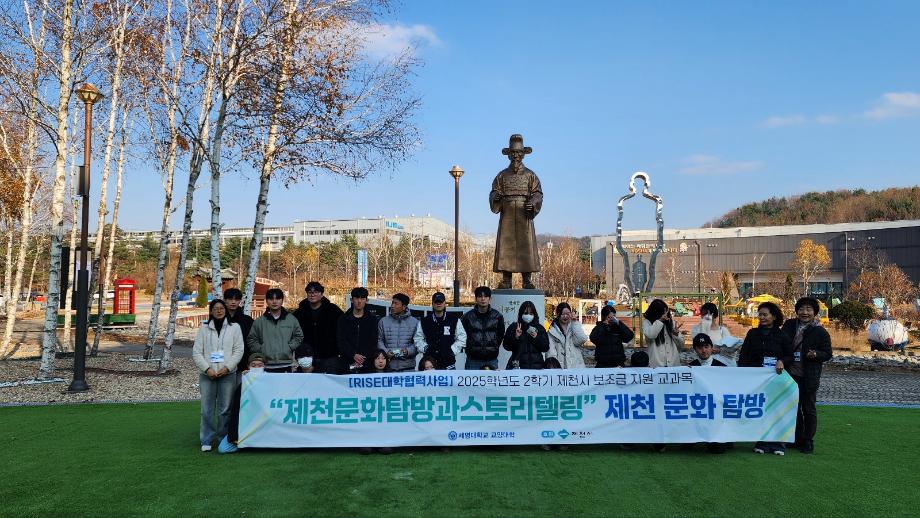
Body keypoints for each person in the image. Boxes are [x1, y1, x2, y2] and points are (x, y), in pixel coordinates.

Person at [738, 301, 793, 456]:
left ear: (774, 316)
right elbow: (744, 355)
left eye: (765, 314)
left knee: (776, 410)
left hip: (776, 379)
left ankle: (778, 443)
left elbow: (789, 356)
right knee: (760, 410)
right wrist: (742, 374)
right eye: (759, 314)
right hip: (756, 380)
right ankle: (761, 441)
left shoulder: (782, 335)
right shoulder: (752, 334)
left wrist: (782, 361)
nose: (761, 317)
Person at [489, 134, 543, 289]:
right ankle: (506, 279)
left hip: (524, 212)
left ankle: (527, 280)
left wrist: (532, 203)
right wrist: (495, 196)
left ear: (523, 154)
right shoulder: (501, 175)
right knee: (506, 246)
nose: (516, 156)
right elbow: (494, 191)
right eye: (513, 152)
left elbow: (538, 193)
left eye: (519, 152)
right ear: (508, 154)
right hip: (506, 213)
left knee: (526, 245)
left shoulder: (530, 175)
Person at [780, 297, 832, 454]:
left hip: (809, 376)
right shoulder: (789, 325)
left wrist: (816, 354)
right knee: (793, 408)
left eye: (809, 309)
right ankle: (797, 438)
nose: (805, 312)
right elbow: (781, 343)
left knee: (808, 409)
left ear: (815, 312)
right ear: (797, 311)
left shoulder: (820, 331)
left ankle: (808, 440)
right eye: (802, 309)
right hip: (790, 374)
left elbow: (827, 353)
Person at [192, 299, 244, 452]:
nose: (219, 311)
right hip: (207, 375)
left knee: (225, 409)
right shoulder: (204, 328)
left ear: (225, 310)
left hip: (227, 374)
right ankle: (206, 439)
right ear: (211, 311)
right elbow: (197, 352)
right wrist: (207, 369)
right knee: (206, 409)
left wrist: (227, 368)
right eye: (216, 308)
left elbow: (238, 350)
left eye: (221, 308)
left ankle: (223, 438)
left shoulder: (235, 327)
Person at [688, 333, 730, 454]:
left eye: (706, 347)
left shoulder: (722, 367)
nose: (704, 350)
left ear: (712, 348)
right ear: (695, 349)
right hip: (697, 409)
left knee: (717, 450)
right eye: (700, 347)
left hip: (716, 411)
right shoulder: (690, 368)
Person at [246, 288, 304, 373]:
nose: (274, 301)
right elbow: (251, 339)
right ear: (266, 301)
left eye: (277, 298)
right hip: (265, 365)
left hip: (286, 364)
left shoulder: (291, 319)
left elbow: (299, 336)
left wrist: (289, 347)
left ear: (282, 300)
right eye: (271, 299)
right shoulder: (259, 321)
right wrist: (261, 349)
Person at [293, 281, 344, 374]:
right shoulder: (299, 312)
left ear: (321, 294)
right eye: (310, 292)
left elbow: (343, 331)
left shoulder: (333, 310)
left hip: (329, 357)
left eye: (316, 292)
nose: (312, 295)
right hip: (306, 358)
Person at [414, 291, 466, 370]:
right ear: (432, 304)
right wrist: (425, 348)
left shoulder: (454, 320)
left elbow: (462, 337)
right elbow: (418, 338)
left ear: (445, 303)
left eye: (441, 302)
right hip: (430, 366)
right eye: (436, 302)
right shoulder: (424, 321)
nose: (439, 304)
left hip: (449, 364)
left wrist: (452, 350)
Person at [460, 286, 506, 370]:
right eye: (480, 296)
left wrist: (493, 346)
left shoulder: (497, 316)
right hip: (472, 360)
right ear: (476, 299)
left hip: (491, 359)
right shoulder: (467, 317)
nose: (483, 299)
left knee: (492, 379)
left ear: (490, 299)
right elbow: (462, 336)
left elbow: (500, 335)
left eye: (486, 296)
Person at [338, 287, 380, 374]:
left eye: (362, 298)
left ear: (367, 300)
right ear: (351, 300)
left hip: (367, 364)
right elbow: (341, 340)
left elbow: (374, 341)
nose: (359, 301)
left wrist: (362, 358)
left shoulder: (372, 319)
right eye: (356, 298)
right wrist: (353, 355)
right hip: (347, 363)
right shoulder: (343, 319)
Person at [378, 293, 420, 372]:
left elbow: (418, 343)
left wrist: (408, 351)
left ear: (404, 307)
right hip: (388, 367)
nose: (392, 306)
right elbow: (379, 340)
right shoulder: (383, 321)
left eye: (396, 303)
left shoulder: (415, 322)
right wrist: (386, 352)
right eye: (392, 303)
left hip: (408, 368)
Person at [503, 301, 550, 369]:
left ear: (534, 314)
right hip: (518, 367)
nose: (528, 315)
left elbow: (546, 347)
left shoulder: (539, 328)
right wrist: (516, 337)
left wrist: (536, 337)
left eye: (531, 313)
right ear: (521, 314)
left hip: (537, 367)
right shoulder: (514, 327)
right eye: (525, 313)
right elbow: (506, 346)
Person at [642, 299, 684, 368]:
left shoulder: (671, 323)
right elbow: (651, 335)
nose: (665, 315)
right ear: (656, 313)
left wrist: (676, 335)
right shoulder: (647, 323)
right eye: (663, 313)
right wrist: (660, 321)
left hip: (673, 364)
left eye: (666, 312)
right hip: (656, 365)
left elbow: (681, 345)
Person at [547, 302, 589, 369]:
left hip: (576, 367)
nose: (565, 316)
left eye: (567, 313)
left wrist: (575, 323)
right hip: (560, 369)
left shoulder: (574, 326)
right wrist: (555, 368)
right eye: (563, 314)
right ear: (558, 314)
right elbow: (551, 353)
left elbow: (582, 339)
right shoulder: (552, 331)